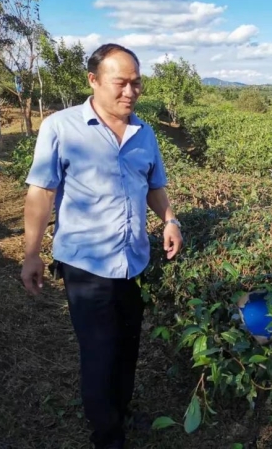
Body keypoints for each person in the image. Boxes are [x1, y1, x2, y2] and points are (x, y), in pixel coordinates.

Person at [19, 43, 183, 448]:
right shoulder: (61, 127)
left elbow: (155, 185)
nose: (130, 92)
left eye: (137, 84)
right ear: (93, 81)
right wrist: (30, 253)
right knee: (99, 352)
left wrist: (170, 219)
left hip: (133, 263)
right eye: (121, 83)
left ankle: (120, 409)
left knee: (128, 346)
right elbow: (41, 193)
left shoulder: (144, 133)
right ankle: (107, 436)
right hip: (86, 266)